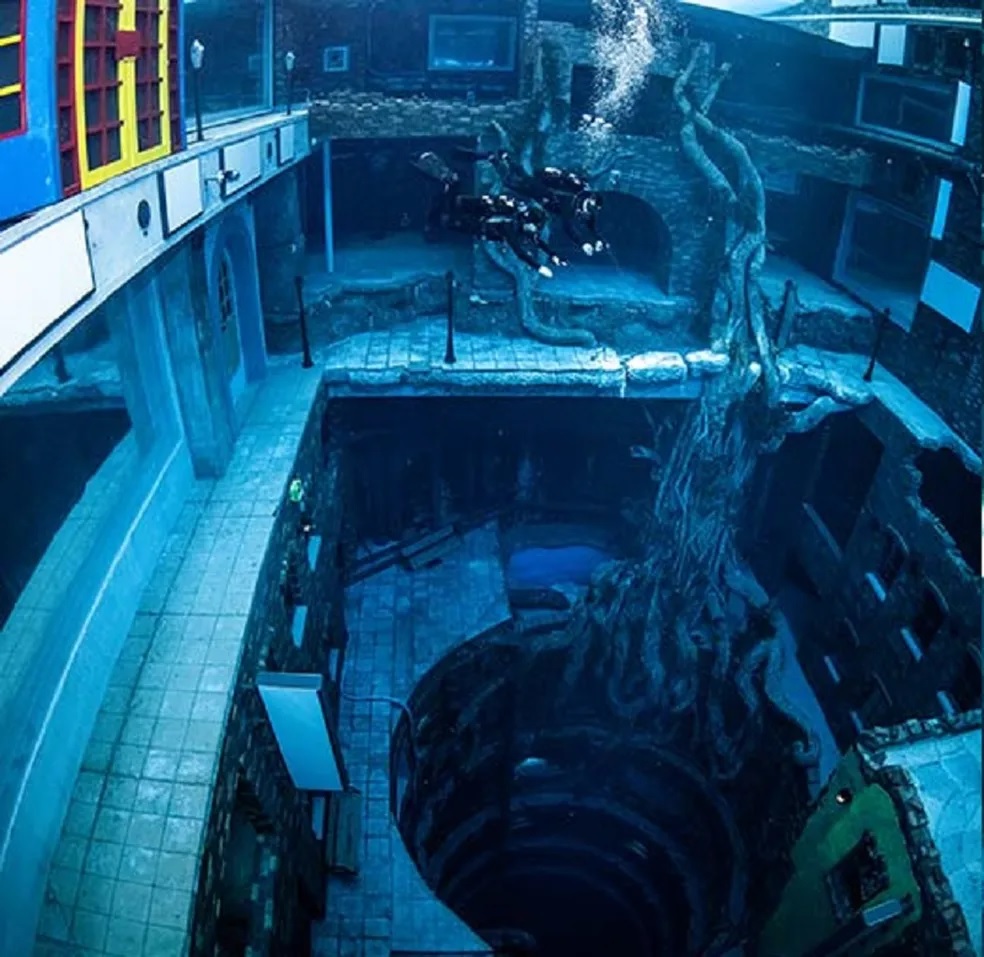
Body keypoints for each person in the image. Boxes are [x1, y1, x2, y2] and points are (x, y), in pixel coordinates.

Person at [413, 151, 567, 278]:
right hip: (464, 216)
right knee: (445, 204)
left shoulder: (519, 221)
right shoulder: (509, 226)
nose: (535, 231)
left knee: (450, 198)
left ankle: (444, 177)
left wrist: (553, 255)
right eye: (535, 227)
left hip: (467, 213)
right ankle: (441, 175)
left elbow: (537, 242)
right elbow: (519, 252)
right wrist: (539, 267)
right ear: (529, 222)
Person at [454, 147, 609, 257]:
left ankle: (503, 158)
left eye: (591, 211)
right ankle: (499, 158)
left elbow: (588, 224)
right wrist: (582, 243)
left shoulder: (584, 206)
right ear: (588, 199)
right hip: (540, 187)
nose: (586, 213)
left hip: (544, 193)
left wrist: (597, 239)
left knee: (517, 178)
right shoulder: (572, 197)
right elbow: (568, 226)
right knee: (512, 181)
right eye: (588, 208)